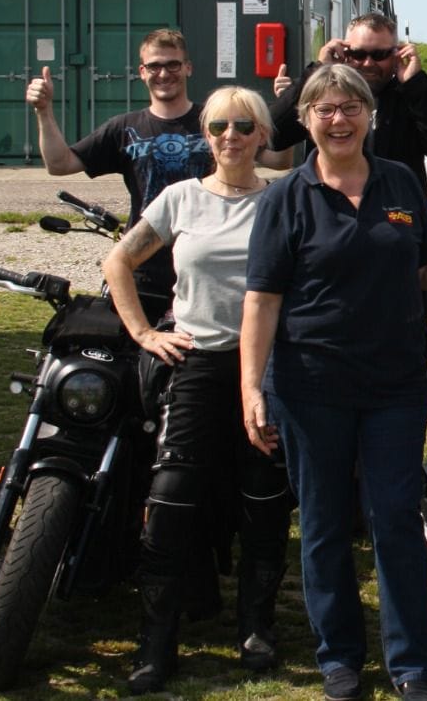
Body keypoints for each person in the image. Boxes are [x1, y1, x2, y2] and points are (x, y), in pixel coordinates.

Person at [239, 64, 427, 701]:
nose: (339, 120)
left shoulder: (399, 181)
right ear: (306, 120)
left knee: (397, 519)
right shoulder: (285, 198)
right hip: (309, 385)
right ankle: (339, 657)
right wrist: (251, 388)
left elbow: (426, 267)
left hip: (394, 386)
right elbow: (261, 300)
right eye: (324, 109)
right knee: (323, 525)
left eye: (351, 107)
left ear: (369, 114)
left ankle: (411, 663)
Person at [101, 86, 295, 695]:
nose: (231, 136)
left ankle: (256, 627)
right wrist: (143, 333)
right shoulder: (180, 197)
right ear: (205, 135)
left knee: (263, 498)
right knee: (171, 500)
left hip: (268, 368)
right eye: (218, 126)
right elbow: (118, 262)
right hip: (199, 362)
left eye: (244, 126)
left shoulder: (284, 199)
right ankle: (156, 642)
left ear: (263, 135)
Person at [26, 28, 218, 297]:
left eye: (173, 64)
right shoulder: (125, 128)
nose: (164, 74)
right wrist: (44, 111)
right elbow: (59, 164)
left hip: (207, 262)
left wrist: (280, 106)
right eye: (154, 66)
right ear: (142, 72)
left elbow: (272, 158)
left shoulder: (216, 122)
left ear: (188, 68)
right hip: (144, 265)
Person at [268, 11, 427, 188]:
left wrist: (415, 86)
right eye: (358, 54)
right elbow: (271, 136)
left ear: (397, 54)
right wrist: (317, 72)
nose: (367, 63)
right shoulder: (323, 93)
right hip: (330, 207)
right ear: (344, 53)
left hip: (395, 209)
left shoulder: (415, 93)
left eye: (379, 54)